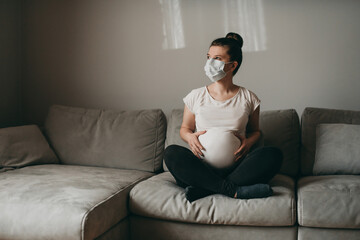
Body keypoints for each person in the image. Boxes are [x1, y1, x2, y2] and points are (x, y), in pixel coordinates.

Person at [164, 32, 283, 203]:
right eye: (208, 57)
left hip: (237, 168)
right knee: (171, 153)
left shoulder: (249, 98)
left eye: (217, 58)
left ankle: (203, 189)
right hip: (201, 168)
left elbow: (255, 132)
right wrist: (189, 137)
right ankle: (232, 189)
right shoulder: (195, 96)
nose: (209, 63)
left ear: (232, 65)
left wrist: (249, 143)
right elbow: (185, 129)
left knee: (273, 154)